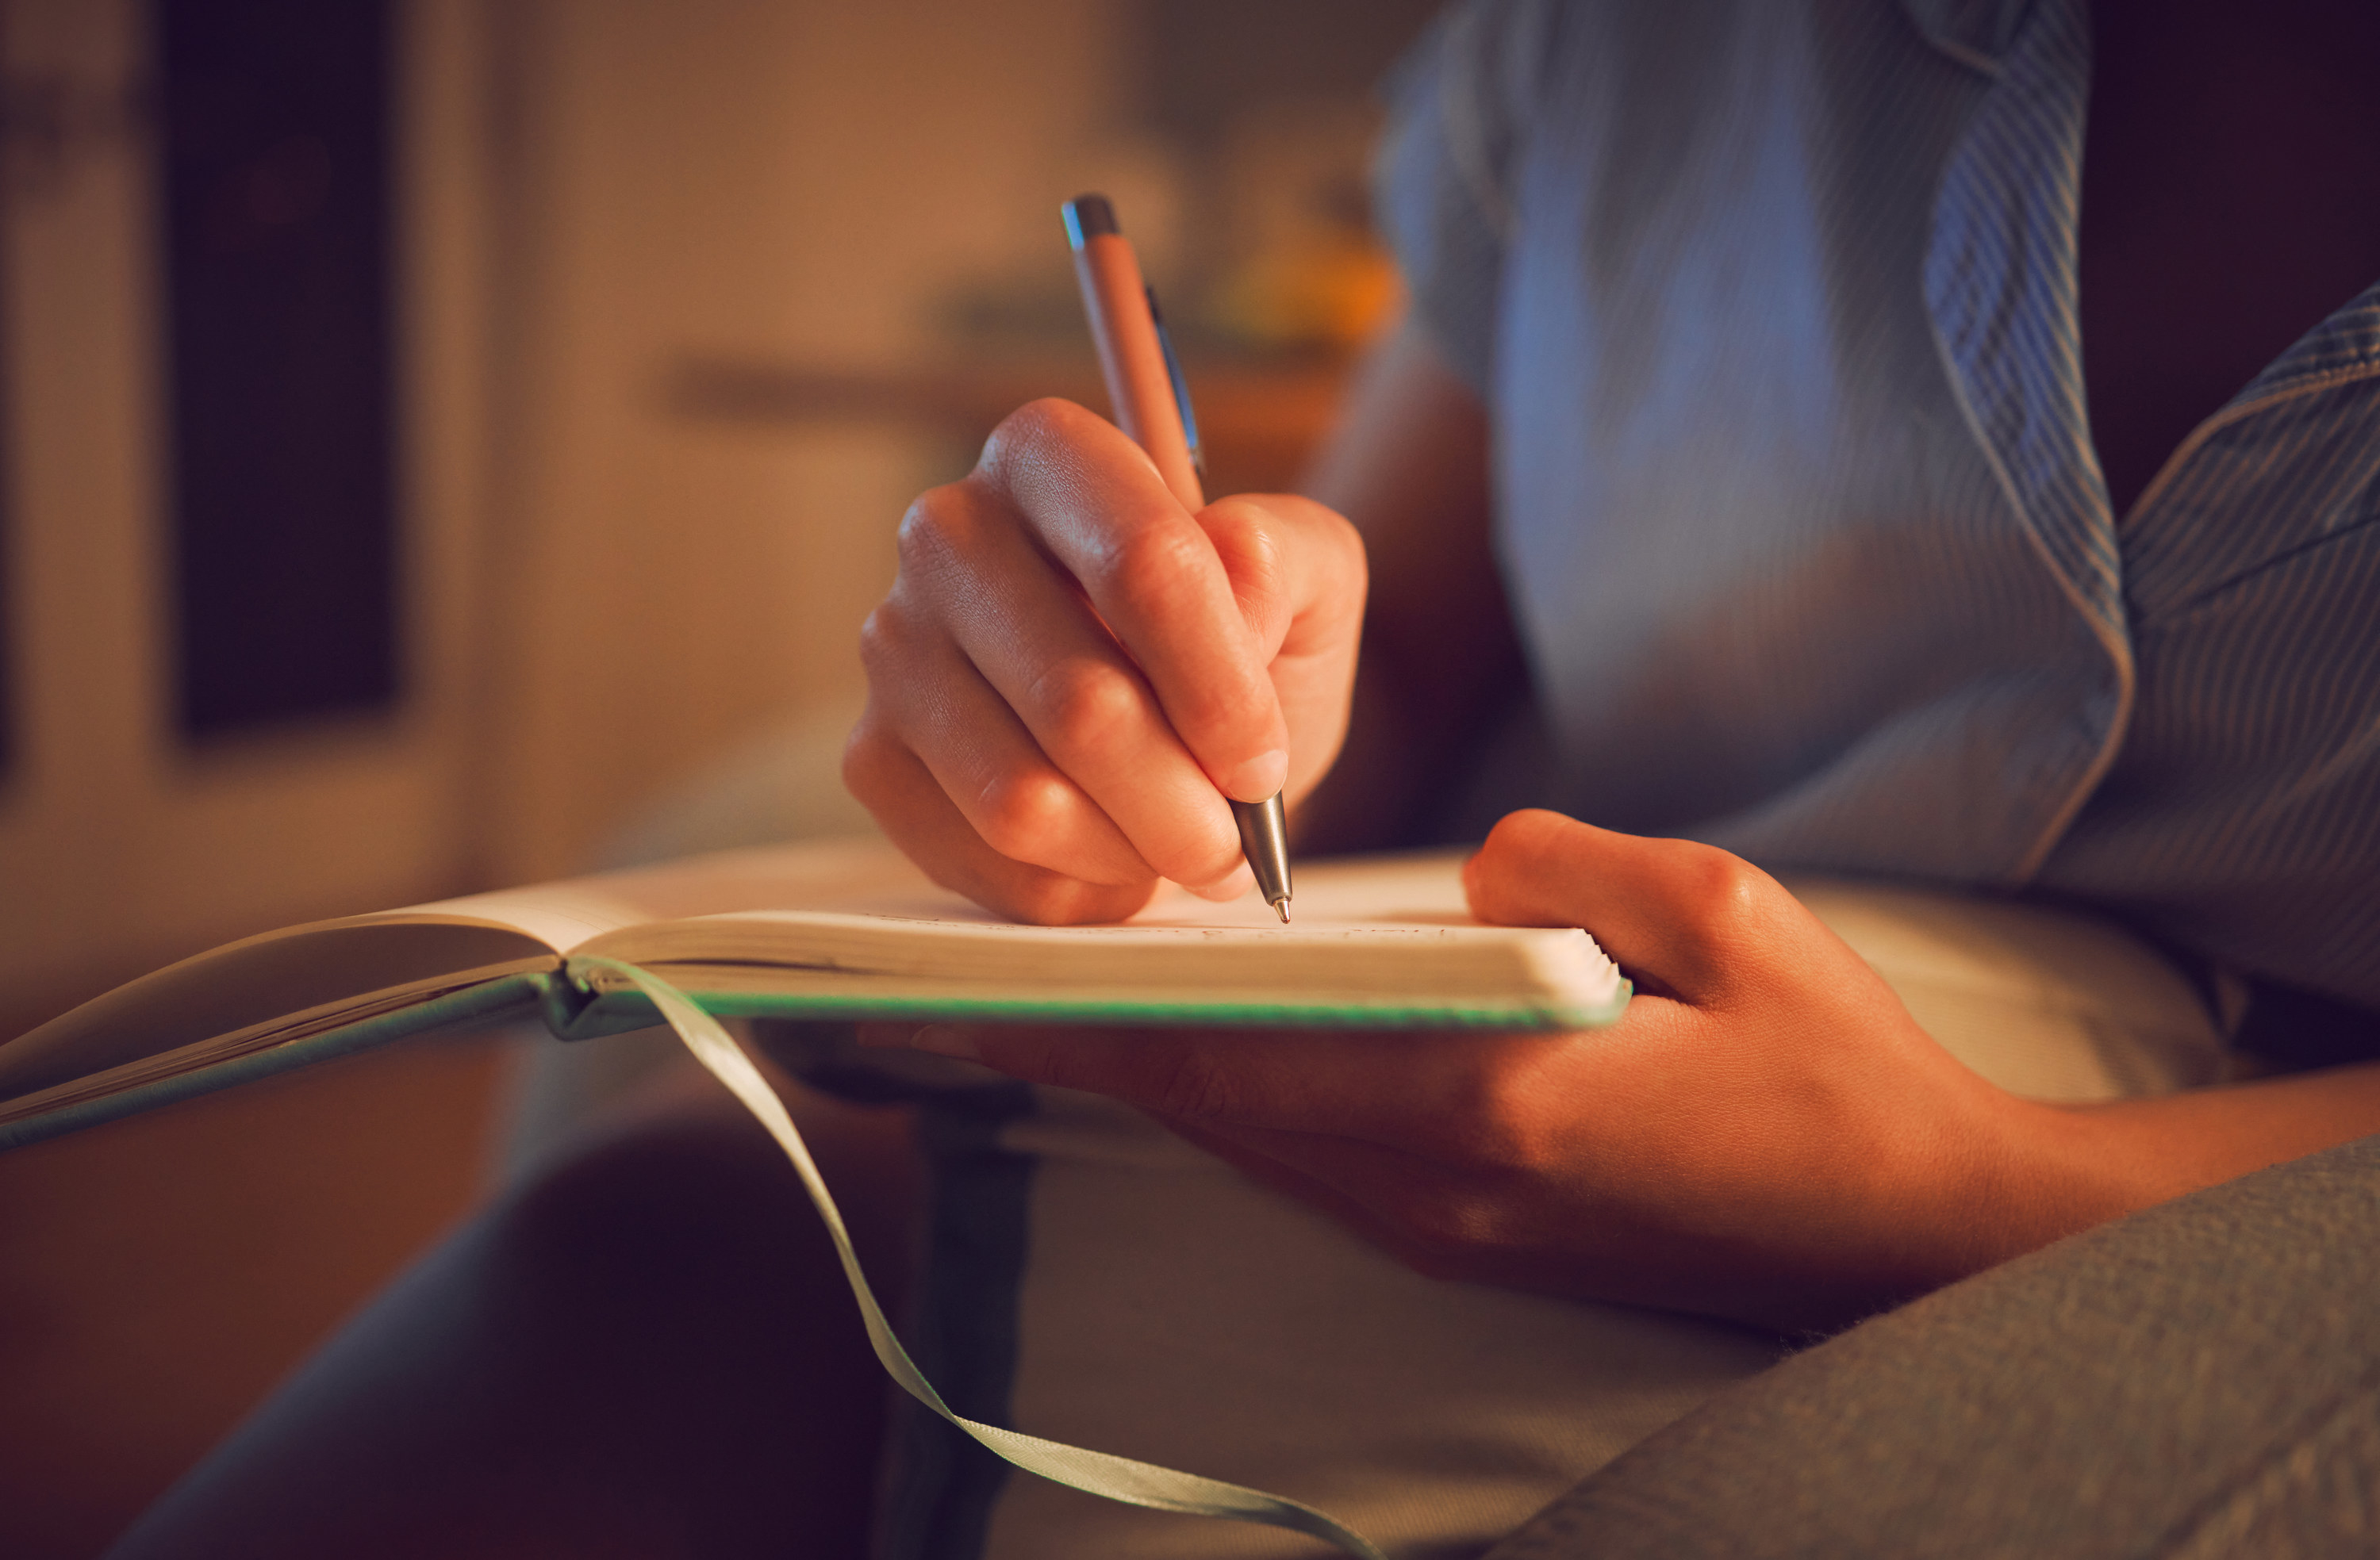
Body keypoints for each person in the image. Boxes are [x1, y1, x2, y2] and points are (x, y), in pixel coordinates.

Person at [109, 0, 2380, 1555]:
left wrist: (1968, 1198)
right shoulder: (1615, 45)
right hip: (1538, 992)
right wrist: (1166, 684)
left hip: (2221, 1177)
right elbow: (1377, 694)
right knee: (679, 1189)